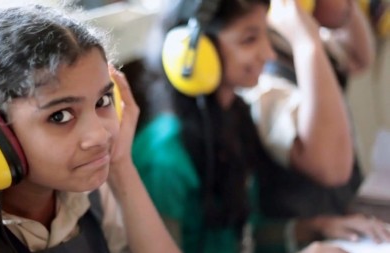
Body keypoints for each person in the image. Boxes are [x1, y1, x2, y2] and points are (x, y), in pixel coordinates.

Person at [0, 4, 181, 253]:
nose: (100, 135)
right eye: (60, 116)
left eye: (103, 100)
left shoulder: (85, 190)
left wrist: (120, 165)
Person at [131, 0, 354, 252]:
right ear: (192, 53)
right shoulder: (164, 161)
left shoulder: (234, 119)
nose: (269, 54)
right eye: (249, 40)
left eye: (266, 36)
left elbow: (243, 237)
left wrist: (316, 227)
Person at [236, 0, 390, 252]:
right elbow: (332, 169)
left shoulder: (297, 41)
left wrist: (342, 13)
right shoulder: (265, 79)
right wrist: (306, 43)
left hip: (339, 222)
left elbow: (360, 58)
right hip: (303, 238)